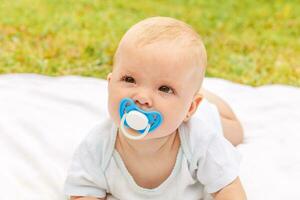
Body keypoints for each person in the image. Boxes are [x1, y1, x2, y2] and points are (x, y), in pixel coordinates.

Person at [64, 16, 246, 200]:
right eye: (130, 80)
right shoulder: (97, 145)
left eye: (164, 89)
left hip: (207, 116)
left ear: (190, 108)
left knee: (236, 133)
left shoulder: (202, 142)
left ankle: (207, 97)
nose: (142, 98)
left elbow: (228, 187)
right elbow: (83, 192)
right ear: (110, 84)